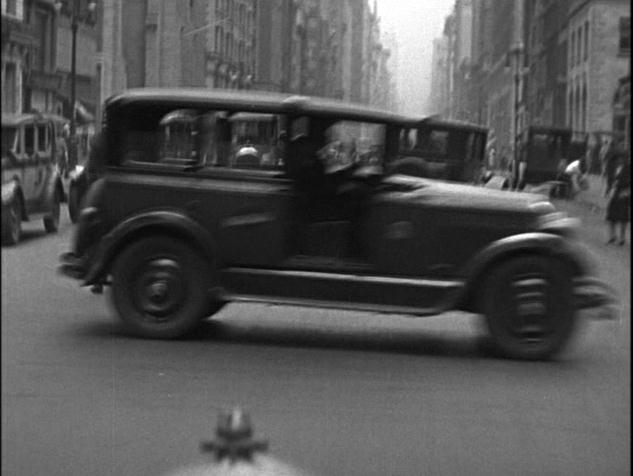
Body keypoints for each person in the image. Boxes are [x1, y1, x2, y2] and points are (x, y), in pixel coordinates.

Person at [606, 151, 630, 245]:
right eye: (618, 159)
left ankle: (622, 238)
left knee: (623, 216)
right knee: (611, 215)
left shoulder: (628, 168)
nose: (620, 161)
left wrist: (627, 192)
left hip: (624, 193)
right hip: (615, 192)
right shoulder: (614, 168)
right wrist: (610, 190)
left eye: (622, 159)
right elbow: (612, 180)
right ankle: (612, 236)